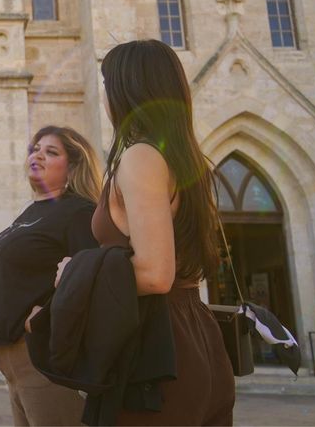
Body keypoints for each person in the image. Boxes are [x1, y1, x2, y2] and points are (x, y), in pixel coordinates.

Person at [86, 38, 234, 425]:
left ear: (126, 89)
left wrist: (77, 274)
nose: (103, 95)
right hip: (192, 336)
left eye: (106, 83)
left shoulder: (141, 157)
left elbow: (155, 273)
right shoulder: (183, 159)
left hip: (156, 350)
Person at [0, 125, 102, 426]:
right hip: (12, 359)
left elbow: (92, 277)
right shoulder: (32, 212)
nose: (38, 155)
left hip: (41, 356)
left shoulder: (80, 213)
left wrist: (46, 314)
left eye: (51, 152)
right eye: (35, 149)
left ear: (72, 167)